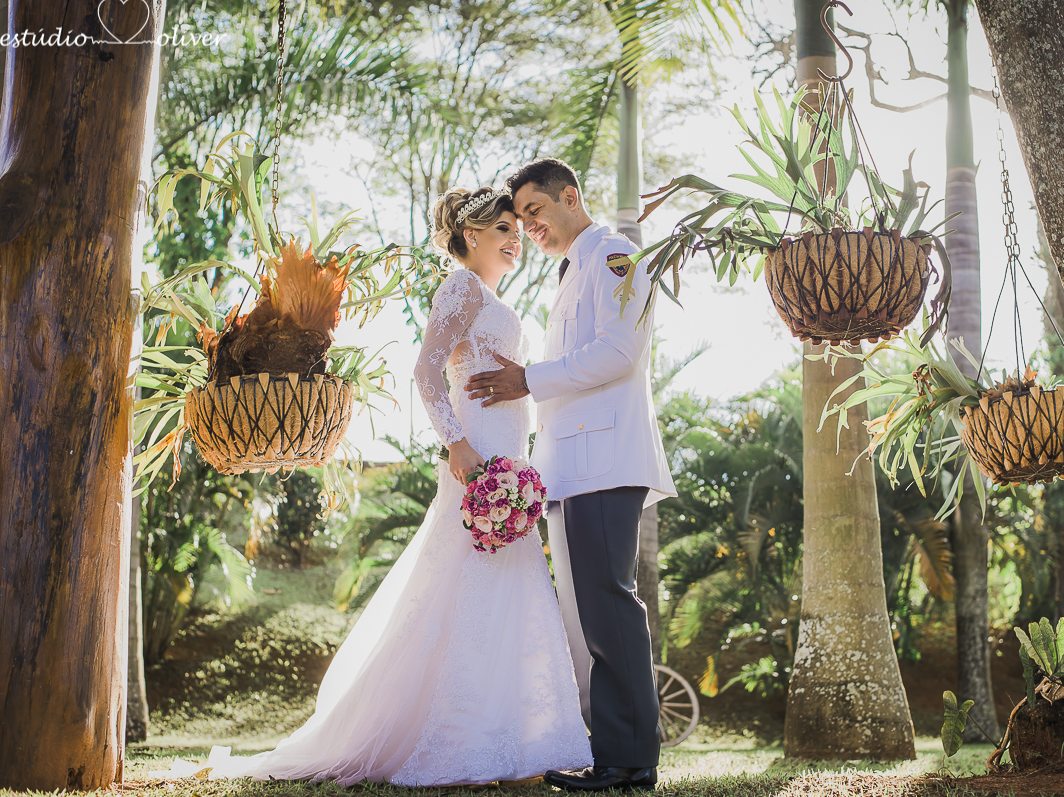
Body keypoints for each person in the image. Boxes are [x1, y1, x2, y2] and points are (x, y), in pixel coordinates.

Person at [151, 186, 592, 787]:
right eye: (503, 231)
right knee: (466, 587)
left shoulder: (487, 295)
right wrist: (455, 442)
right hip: (477, 459)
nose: (516, 240)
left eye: (518, 230)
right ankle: (461, 738)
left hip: (506, 459)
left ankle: (508, 739)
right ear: (469, 237)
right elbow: (426, 367)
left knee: (498, 589)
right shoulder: (462, 286)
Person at [466, 158, 676, 793]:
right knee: (588, 618)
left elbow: (619, 353)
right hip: (569, 468)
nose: (529, 226)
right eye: (522, 218)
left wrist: (526, 378)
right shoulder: (570, 272)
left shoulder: (615, 255)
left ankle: (632, 761)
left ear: (571, 197)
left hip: (606, 462)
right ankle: (610, 751)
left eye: (536, 211)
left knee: (610, 607)